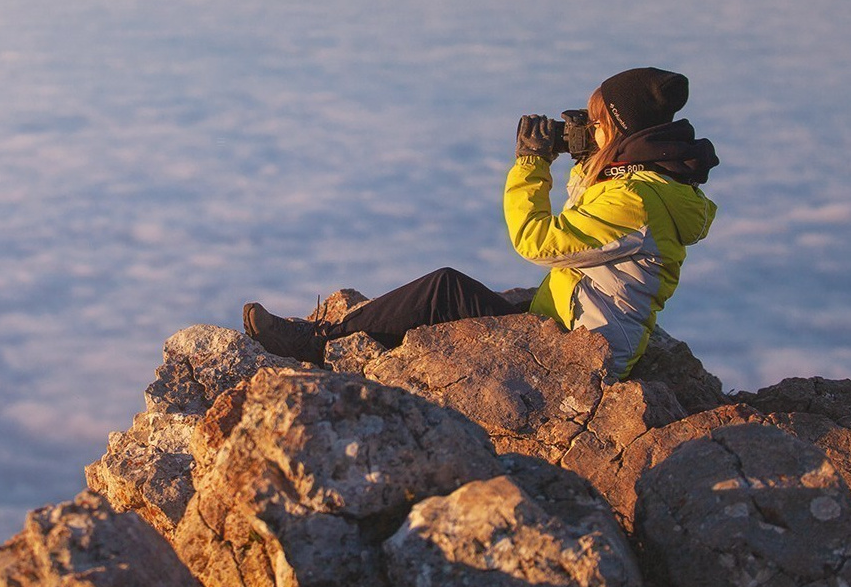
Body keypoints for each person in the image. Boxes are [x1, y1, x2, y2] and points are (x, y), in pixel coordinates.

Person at [243, 67, 718, 379]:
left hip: (581, 355)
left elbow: (537, 242)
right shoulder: (649, 185)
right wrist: (585, 158)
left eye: (597, 124)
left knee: (443, 290)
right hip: (577, 333)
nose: (589, 130)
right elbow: (590, 225)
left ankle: (316, 346)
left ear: (618, 129)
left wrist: (531, 164)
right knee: (454, 292)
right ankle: (332, 338)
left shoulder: (634, 199)